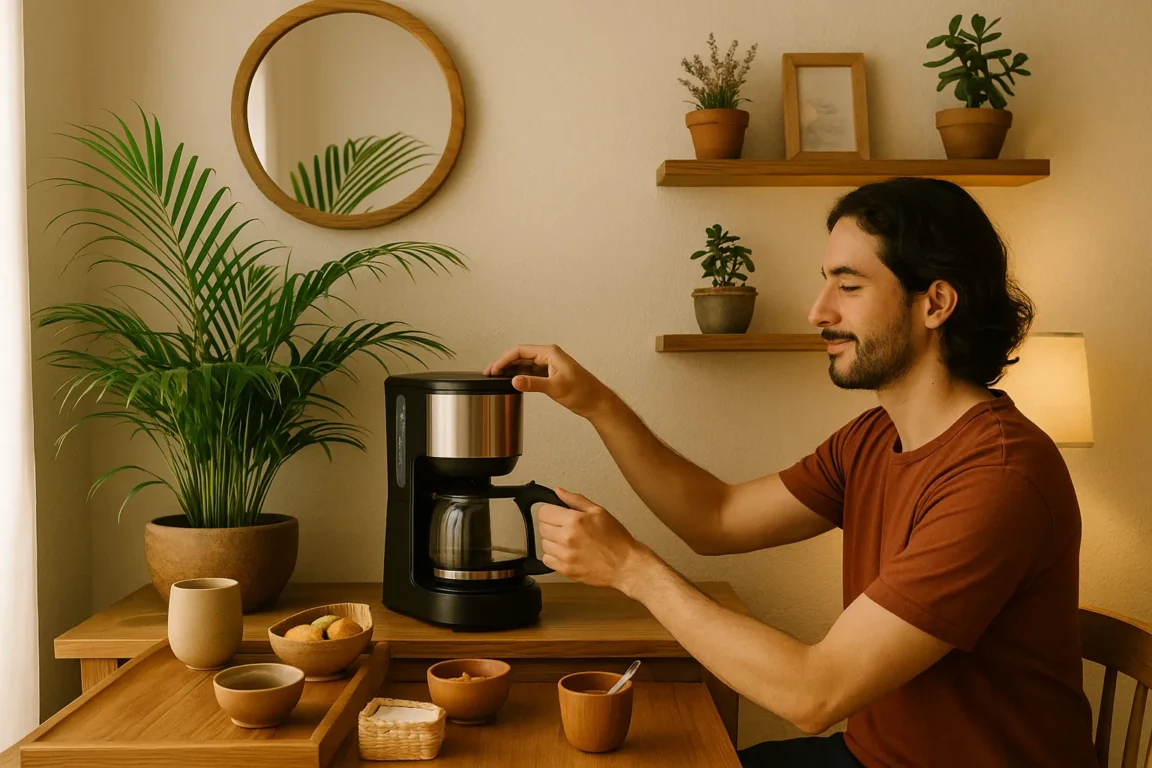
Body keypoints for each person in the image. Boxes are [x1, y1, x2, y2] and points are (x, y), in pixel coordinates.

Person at [484, 177, 1098, 768]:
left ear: (934, 303)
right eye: (825, 283)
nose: (817, 310)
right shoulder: (874, 438)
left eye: (849, 286)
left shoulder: (997, 478)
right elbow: (715, 520)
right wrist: (596, 403)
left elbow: (815, 695)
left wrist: (629, 568)